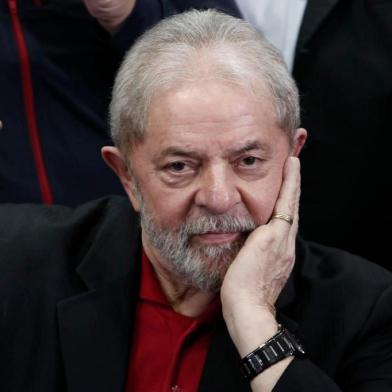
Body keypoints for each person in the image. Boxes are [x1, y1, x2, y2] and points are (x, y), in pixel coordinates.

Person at [1, 10, 391, 392]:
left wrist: (255, 325)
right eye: (180, 166)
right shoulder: (17, 265)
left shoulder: (367, 310)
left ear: (293, 157)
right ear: (127, 176)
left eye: (249, 161)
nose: (219, 198)